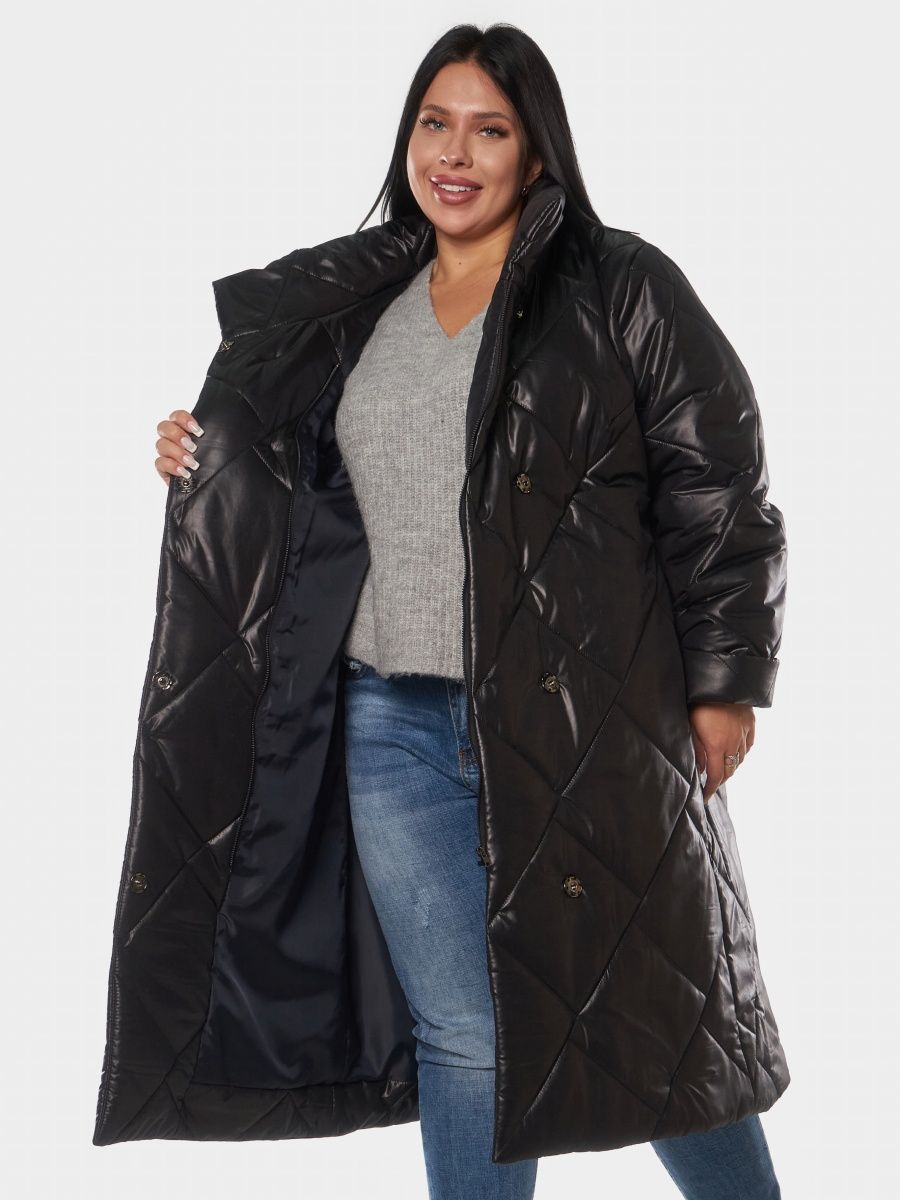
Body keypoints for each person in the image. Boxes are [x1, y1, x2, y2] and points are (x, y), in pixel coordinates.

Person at [139, 23, 786, 1200]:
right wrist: (205, 454)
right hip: (390, 724)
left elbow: (718, 480)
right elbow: (307, 486)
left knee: (650, 1011)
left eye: (489, 130)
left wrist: (725, 681)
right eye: (435, 123)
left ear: (535, 154)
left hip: (587, 717)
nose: (454, 153)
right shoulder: (356, 300)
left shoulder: (619, 284)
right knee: (466, 1029)